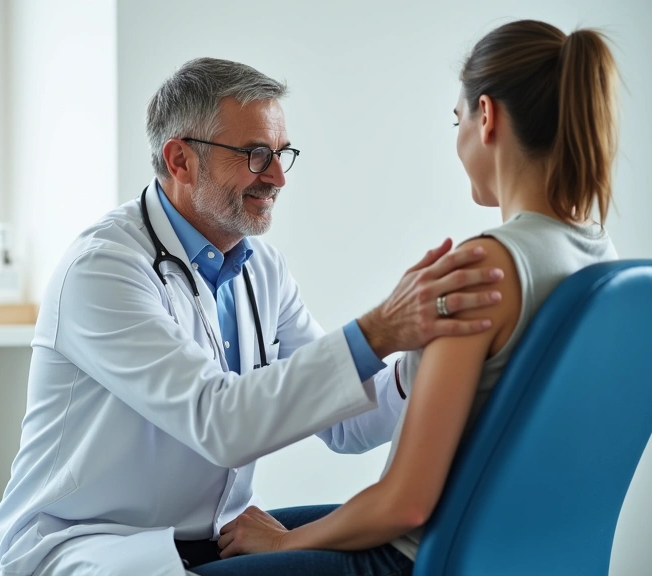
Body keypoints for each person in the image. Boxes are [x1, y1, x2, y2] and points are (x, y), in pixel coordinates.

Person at [0, 57, 505, 576]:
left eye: (282, 154)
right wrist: (382, 328)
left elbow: (349, 425)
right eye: (256, 155)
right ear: (180, 160)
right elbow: (220, 422)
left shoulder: (262, 268)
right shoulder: (104, 271)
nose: (277, 176)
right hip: (91, 546)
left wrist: (432, 348)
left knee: (408, 542)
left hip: (210, 537)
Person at [210, 19, 620, 576]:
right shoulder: (598, 253)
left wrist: (286, 544)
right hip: (516, 550)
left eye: (458, 120)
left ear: (486, 116)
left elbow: (405, 503)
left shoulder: (483, 268)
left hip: (411, 557)